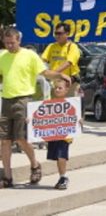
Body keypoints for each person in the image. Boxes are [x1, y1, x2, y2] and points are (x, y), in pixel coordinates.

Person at [0, 28, 70, 188]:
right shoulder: (2, 56)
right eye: (7, 42)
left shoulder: (29, 55)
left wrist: (60, 75)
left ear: (19, 41)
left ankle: (34, 164)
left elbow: (45, 72)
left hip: (23, 100)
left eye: (12, 42)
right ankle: (8, 177)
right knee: (4, 140)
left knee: (21, 138)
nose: (9, 45)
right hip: (6, 100)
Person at [46, 79, 82, 190]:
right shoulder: (49, 103)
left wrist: (79, 121)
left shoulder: (70, 103)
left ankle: (63, 177)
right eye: (56, 88)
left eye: (60, 88)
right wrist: (31, 120)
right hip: (54, 134)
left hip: (65, 136)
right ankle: (61, 177)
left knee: (61, 156)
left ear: (66, 90)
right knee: (57, 157)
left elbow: (76, 116)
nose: (57, 90)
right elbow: (41, 118)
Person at [41, 23, 81, 97]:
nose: (57, 36)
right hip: (55, 83)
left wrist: (53, 73)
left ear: (67, 34)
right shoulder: (51, 46)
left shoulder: (72, 47)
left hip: (69, 83)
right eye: (56, 33)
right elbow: (42, 60)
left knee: (71, 106)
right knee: (55, 105)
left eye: (59, 33)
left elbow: (68, 63)